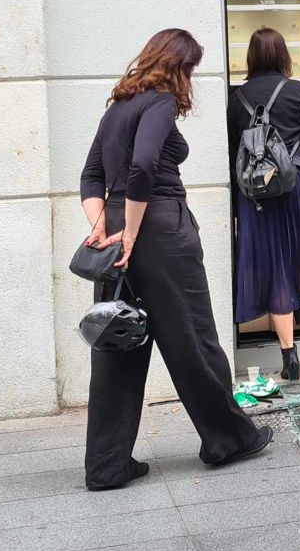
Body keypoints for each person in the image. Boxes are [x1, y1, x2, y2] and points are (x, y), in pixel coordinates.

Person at [79, 29, 271, 491]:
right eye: (192, 69)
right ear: (178, 66)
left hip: (118, 231)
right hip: (161, 230)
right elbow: (144, 167)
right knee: (193, 337)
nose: (191, 80)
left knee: (117, 341)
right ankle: (227, 439)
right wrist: (134, 230)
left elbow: (91, 176)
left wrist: (103, 228)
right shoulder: (160, 102)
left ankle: (107, 466)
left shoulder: (118, 106)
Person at [228, 28, 300, 380]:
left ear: (250, 57)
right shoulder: (299, 92)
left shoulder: (236, 98)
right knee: (296, 255)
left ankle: (289, 351)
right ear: (283, 57)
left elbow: (233, 155)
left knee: (274, 264)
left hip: (257, 195)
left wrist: (235, 205)